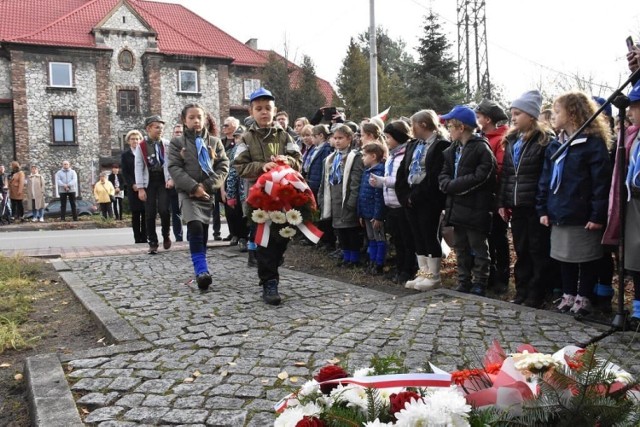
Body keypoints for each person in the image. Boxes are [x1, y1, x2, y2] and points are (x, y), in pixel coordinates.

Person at [537, 91, 611, 316]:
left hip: (582, 213)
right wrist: (542, 208)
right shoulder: (555, 145)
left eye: (558, 112)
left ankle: (584, 297)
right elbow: (546, 179)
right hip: (559, 210)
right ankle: (568, 294)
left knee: (585, 257)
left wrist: (597, 215)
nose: (553, 116)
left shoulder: (591, 144)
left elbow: (601, 182)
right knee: (563, 256)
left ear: (573, 114)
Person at [234, 87, 302, 305]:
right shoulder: (245, 138)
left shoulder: (285, 135)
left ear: (275, 111)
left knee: (281, 238)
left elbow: (298, 161)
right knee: (264, 242)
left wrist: (286, 161)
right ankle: (269, 283)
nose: (264, 113)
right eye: (259, 109)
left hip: (283, 199)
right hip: (258, 201)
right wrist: (263, 167)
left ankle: (274, 261)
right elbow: (240, 167)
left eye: (268, 109)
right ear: (252, 111)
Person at [498, 90, 554, 307]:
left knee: (537, 249)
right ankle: (521, 291)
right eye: (512, 113)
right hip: (516, 204)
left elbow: (544, 175)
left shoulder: (543, 141)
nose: (513, 117)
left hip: (534, 205)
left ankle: (537, 293)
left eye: (518, 113)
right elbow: (507, 174)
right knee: (521, 249)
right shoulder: (512, 141)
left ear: (531, 115)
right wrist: (502, 202)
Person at [168, 103, 229, 291]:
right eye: (191, 117)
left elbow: (223, 166)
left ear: (205, 119)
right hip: (187, 193)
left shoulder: (215, 142)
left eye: (199, 117)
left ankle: (201, 265)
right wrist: (193, 187)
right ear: (184, 120)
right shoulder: (177, 143)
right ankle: (202, 271)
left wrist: (207, 185)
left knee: (202, 231)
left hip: (207, 193)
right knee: (194, 226)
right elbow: (174, 168)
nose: (196, 121)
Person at [439, 105, 497, 296]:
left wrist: (453, 185)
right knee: (461, 247)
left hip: (476, 207)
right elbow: (444, 174)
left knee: (479, 247)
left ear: (461, 127)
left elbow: (483, 175)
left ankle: (480, 281)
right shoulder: (451, 150)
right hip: (457, 207)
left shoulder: (481, 148)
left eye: (450, 126)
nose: (448, 130)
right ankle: (463, 280)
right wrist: (447, 183)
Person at [396, 111, 451, 291]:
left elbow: (434, 175)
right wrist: (404, 196)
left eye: (414, 125)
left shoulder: (440, 145)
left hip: (428, 199)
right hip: (410, 198)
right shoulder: (413, 145)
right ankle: (423, 273)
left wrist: (416, 195)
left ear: (424, 125)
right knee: (417, 236)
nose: (412, 129)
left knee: (429, 235)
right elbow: (403, 171)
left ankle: (433, 276)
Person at [604, 80, 640, 328]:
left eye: (635, 106)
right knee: (635, 257)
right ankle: (637, 308)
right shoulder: (632, 135)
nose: (630, 111)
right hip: (633, 200)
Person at [370, 120, 415, 285]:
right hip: (391, 204)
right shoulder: (392, 155)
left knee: (406, 240)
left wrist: (383, 181)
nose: (386, 141)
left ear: (398, 137)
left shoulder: (405, 155)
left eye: (388, 137)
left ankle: (407, 270)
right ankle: (399, 267)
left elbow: (401, 180)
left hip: (401, 203)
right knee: (397, 240)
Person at [475, 99, 511, 294]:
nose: (477, 119)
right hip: (482, 197)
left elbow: (500, 168)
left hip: (496, 195)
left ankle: (502, 277)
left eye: (479, 116)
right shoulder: (481, 138)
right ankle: (488, 274)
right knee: (485, 237)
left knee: (498, 237)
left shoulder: (500, 139)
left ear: (488, 119)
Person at [318, 125, 365, 268]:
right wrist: (321, 198)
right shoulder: (330, 159)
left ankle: (354, 258)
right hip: (334, 198)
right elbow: (323, 181)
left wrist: (352, 201)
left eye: (341, 138)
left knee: (350, 229)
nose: (337, 141)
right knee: (340, 230)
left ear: (349, 139)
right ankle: (346, 256)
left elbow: (356, 181)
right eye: (335, 138)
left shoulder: (355, 157)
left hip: (347, 198)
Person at [135, 115, 173, 254]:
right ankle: (152, 241)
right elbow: (138, 166)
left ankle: (166, 235)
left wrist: (171, 179)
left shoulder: (167, 144)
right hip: (149, 180)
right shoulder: (142, 146)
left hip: (163, 180)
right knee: (150, 213)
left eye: (162, 128)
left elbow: (171, 163)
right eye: (157, 127)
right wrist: (140, 188)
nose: (160, 130)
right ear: (148, 128)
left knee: (164, 210)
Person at [358, 143, 386, 275]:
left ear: (373, 156)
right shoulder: (367, 172)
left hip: (375, 214)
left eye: (365, 155)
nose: (363, 158)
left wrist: (378, 216)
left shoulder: (379, 172)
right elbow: (361, 193)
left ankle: (379, 263)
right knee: (371, 237)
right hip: (367, 212)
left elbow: (379, 197)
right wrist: (360, 213)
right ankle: (372, 261)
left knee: (379, 237)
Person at [307, 124, 335, 251]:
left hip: (319, 183)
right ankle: (317, 237)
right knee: (316, 212)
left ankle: (326, 240)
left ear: (321, 136)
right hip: (312, 182)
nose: (312, 139)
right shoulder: (315, 148)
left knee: (323, 213)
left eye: (313, 136)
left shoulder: (326, 149)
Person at [222, 125, 249, 251]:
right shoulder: (235, 150)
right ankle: (241, 237)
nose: (238, 139)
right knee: (238, 213)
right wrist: (231, 194)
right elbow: (232, 173)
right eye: (236, 137)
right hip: (240, 187)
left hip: (250, 185)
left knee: (247, 214)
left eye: (240, 136)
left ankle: (246, 239)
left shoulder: (250, 147)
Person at [121, 130, 147, 243]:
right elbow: (125, 172)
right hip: (133, 188)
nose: (135, 141)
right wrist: (132, 184)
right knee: (136, 214)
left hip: (145, 187)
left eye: (137, 139)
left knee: (146, 213)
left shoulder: (144, 152)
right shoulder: (125, 155)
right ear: (128, 141)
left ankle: (145, 237)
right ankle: (137, 238)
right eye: (132, 139)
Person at [220, 117, 240, 243]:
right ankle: (232, 232)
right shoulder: (221, 142)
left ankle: (238, 234)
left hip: (236, 176)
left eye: (226, 125)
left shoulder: (239, 141)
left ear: (234, 126)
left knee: (236, 208)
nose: (224, 128)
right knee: (227, 206)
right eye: (223, 126)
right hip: (224, 176)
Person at [168, 124, 184, 241]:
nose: (178, 134)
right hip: (174, 184)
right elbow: (167, 166)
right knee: (175, 213)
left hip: (186, 184)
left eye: (180, 132)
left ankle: (190, 237)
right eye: (176, 132)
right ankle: (178, 237)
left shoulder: (189, 146)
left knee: (188, 212)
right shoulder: (169, 148)